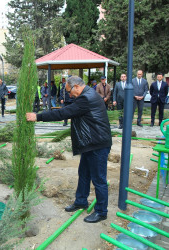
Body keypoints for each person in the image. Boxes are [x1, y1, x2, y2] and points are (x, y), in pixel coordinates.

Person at [26, 76, 111, 223]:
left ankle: (101, 212)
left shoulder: (86, 98)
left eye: (70, 91)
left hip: (98, 144)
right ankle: (81, 201)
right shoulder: (88, 94)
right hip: (91, 143)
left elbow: (62, 113)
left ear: (77, 86)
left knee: (99, 179)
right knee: (84, 174)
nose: (70, 95)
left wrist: (37, 117)